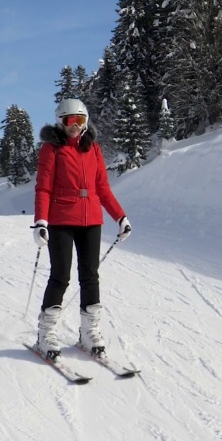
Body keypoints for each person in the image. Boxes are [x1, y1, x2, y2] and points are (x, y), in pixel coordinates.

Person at [32, 98, 132, 359]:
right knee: (60, 276)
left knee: (90, 276)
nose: (75, 126)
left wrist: (120, 217)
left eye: (80, 120)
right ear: (60, 122)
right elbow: (43, 187)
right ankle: (46, 334)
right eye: (69, 121)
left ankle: (88, 332)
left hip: (91, 220)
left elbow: (102, 188)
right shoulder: (52, 149)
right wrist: (41, 221)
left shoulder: (94, 149)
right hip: (61, 219)